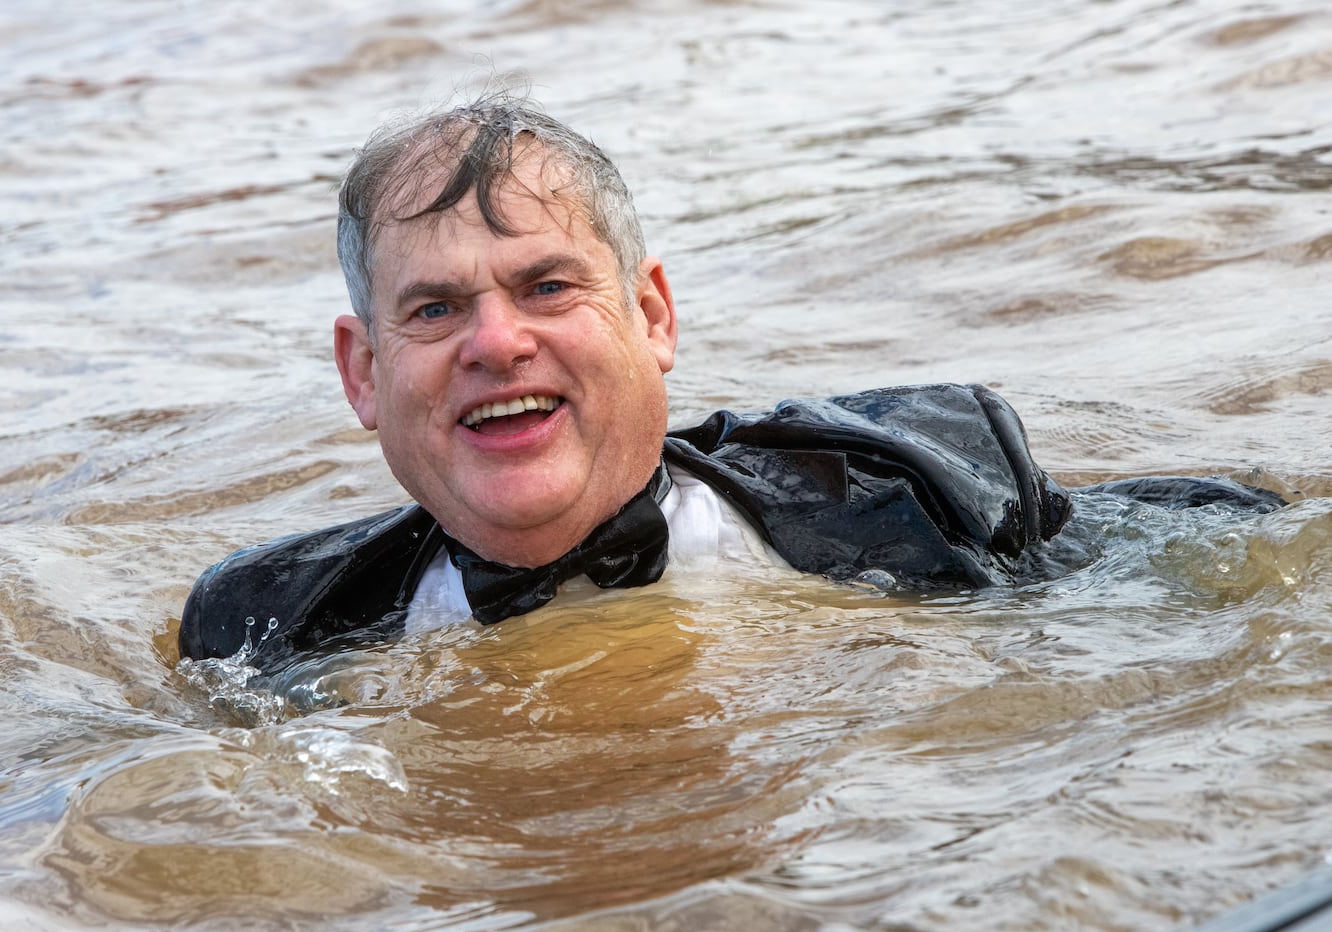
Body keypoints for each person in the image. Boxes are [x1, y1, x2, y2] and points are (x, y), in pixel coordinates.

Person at [177, 91, 1283, 669]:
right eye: (435, 308)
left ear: (651, 314)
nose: (496, 342)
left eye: (548, 285)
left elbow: (1223, 567)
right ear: (364, 373)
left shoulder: (910, 498)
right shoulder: (268, 634)